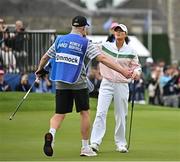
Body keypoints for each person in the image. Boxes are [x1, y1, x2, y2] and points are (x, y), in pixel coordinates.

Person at [35, 16, 133, 157]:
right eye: (85, 27)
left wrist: (40, 70)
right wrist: (123, 71)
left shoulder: (59, 40)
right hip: (78, 82)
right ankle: (85, 147)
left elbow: (45, 58)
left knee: (59, 114)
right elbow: (103, 59)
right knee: (84, 113)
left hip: (61, 82)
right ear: (82, 28)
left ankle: (51, 134)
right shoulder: (85, 43)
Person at [90, 24, 141, 153]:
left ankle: (121, 143)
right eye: (116, 30)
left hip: (122, 85)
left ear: (125, 34)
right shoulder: (104, 46)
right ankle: (95, 142)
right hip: (106, 83)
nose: (118, 32)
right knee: (101, 112)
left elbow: (137, 67)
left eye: (121, 31)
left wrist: (137, 73)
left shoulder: (131, 51)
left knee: (121, 114)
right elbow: (90, 46)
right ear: (113, 33)